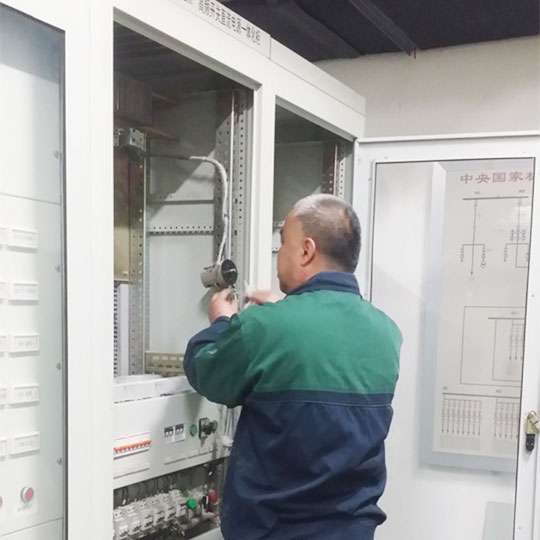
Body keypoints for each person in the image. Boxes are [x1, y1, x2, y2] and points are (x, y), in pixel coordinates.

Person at [184, 194, 402, 540]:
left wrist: (221, 322)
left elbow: (206, 371)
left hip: (275, 531)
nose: (279, 255)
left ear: (306, 250)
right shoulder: (386, 332)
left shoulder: (267, 327)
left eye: (283, 242)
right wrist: (284, 312)